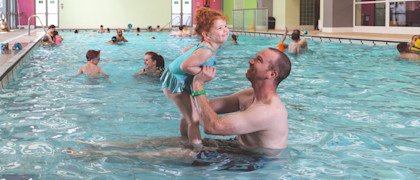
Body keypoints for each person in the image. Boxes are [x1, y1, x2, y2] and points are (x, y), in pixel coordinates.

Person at [67, 48, 291, 166]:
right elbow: (203, 108)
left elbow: (213, 125)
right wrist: (179, 84)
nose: (251, 61)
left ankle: (94, 157)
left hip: (255, 161)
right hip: (237, 147)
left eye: (258, 60)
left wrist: (199, 84)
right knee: (163, 142)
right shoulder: (247, 95)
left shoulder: (270, 110)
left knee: (173, 153)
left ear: (272, 75)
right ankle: (97, 146)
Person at [160, 7, 229, 149]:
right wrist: (201, 75)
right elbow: (185, 66)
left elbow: (185, 51)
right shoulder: (205, 51)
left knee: (188, 115)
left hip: (174, 79)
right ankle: (196, 150)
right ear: (207, 35)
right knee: (194, 119)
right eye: (219, 28)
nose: (225, 30)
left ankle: (184, 141)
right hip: (175, 84)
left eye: (225, 26)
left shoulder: (204, 46)